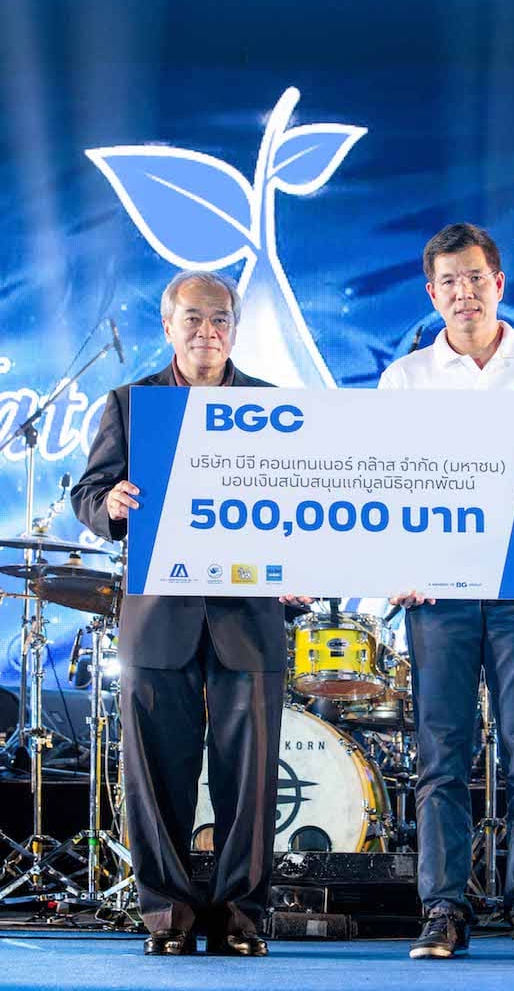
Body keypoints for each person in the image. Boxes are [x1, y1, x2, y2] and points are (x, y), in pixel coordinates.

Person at [379, 223, 514, 961]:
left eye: (475, 278)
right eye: (448, 281)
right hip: (435, 590)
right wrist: (395, 561)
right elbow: (385, 482)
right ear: (431, 293)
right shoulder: (406, 378)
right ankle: (444, 909)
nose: (463, 292)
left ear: (497, 284)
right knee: (440, 755)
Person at [72, 270, 287, 957]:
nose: (206, 331)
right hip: (159, 616)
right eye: (192, 318)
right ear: (168, 326)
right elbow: (89, 492)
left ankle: (240, 916)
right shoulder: (130, 404)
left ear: (235, 329)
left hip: (248, 618)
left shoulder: (274, 408)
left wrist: (307, 564)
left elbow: (300, 505)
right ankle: (167, 913)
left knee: (250, 781)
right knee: (155, 777)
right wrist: (110, 505)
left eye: (219, 318)